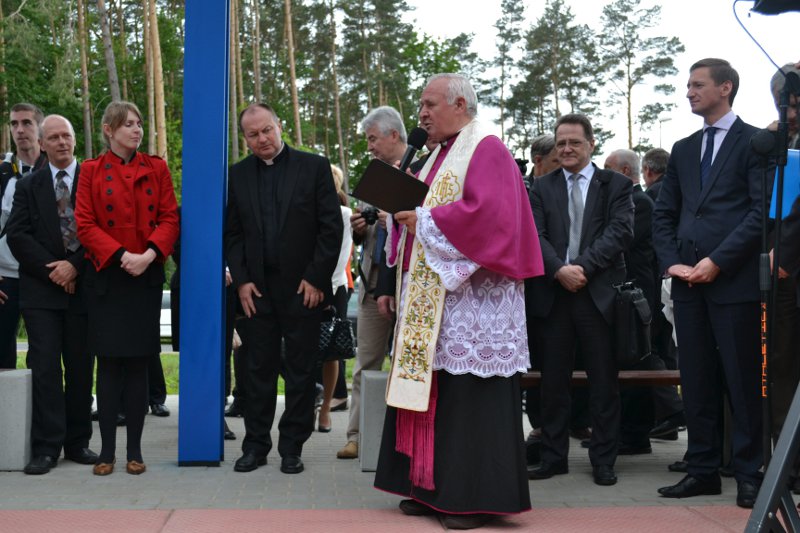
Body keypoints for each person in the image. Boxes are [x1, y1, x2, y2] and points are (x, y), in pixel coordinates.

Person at [374, 73, 543, 530]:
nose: (422, 114)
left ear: (461, 105)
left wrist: (423, 221)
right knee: (439, 396)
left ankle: (472, 499)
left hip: (473, 306)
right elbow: (421, 214)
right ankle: (432, 489)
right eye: (421, 106)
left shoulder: (486, 147)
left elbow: (490, 217)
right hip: (437, 305)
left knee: (470, 399)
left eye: (430, 105)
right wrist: (400, 216)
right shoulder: (436, 156)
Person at [652, 58, 764, 508]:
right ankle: (700, 470)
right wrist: (672, 263)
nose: (689, 92)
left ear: (726, 87)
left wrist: (718, 261)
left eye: (698, 85)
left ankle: (749, 474)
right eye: (687, 85)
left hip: (733, 282)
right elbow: (665, 213)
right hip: (687, 284)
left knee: (741, 381)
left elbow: (760, 213)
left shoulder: (757, 143)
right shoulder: (682, 148)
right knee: (695, 379)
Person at [225, 103, 342, 474]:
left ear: (280, 126)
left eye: (267, 131)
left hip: (303, 287)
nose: (262, 139)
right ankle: (256, 445)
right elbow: (233, 234)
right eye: (253, 135)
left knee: (301, 369)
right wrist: (242, 280)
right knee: (256, 369)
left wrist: (317, 278)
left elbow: (330, 229)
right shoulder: (237, 175)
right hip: (256, 290)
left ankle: (292, 446)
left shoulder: (314, 167)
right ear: (245, 138)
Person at [527, 113, 634, 487]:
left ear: (591, 143)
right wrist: (559, 270)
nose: (567, 149)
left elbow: (620, 232)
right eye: (561, 143)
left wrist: (581, 268)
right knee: (552, 383)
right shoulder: (541, 188)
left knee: (604, 383)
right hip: (554, 296)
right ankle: (554, 458)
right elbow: (534, 236)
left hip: (598, 295)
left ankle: (603, 460)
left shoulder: (615, 185)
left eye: (574, 142)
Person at [75, 101, 179, 476]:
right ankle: (106, 452)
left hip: (145, 275)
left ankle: (135, 451)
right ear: (108, 130)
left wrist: (149, 255)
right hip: (107, 275)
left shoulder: (157, 167)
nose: (136, 130)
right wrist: (122, 256)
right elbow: (84, 224)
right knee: (108, 365)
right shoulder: (89, 171)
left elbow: (169, 217)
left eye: (138, 124)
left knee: (138, 364)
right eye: (128, 125)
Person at [6, 114, 95, 475]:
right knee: (44, 368)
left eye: (67, 136)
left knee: (79, 367)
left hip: (84, 289)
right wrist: (57, 270)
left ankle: (78, 442)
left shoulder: (93, 180)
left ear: (75, 140)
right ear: (42, 144)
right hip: (41, 292)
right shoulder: (27, 186)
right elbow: (17, 235)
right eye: (53, 137)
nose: (61, 142)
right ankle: (46, 447)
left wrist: (75, 265)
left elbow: (105, 230)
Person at [337, 106, 405, 460]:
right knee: (366, 363)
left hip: (409, 284)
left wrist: (392, 217)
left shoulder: (423, 171)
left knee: (407, 364)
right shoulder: (374, 178)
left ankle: (401, 440)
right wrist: (361, 228)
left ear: (393, 135)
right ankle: (356, 435)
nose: (370, 147)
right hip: (372, 282)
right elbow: (365, 234)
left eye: (373, 139)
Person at [0, 103, 48, 369]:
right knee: (2, 352)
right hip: (4, 276)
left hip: (42, 275)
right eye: (14, 124)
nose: (19, 130)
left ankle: (44, 410)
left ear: (39, 127)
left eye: (27, 123)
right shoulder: (3, 172)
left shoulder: (54, 171)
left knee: (45, 351)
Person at [317, 164, 352, 433]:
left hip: (333, 288)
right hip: (303, 288)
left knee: (330, 353)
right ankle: (307, 403)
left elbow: (342, 255)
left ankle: (326, 408)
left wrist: (325, 290)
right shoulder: (305, 211)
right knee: (302, 349)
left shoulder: (345, 214)